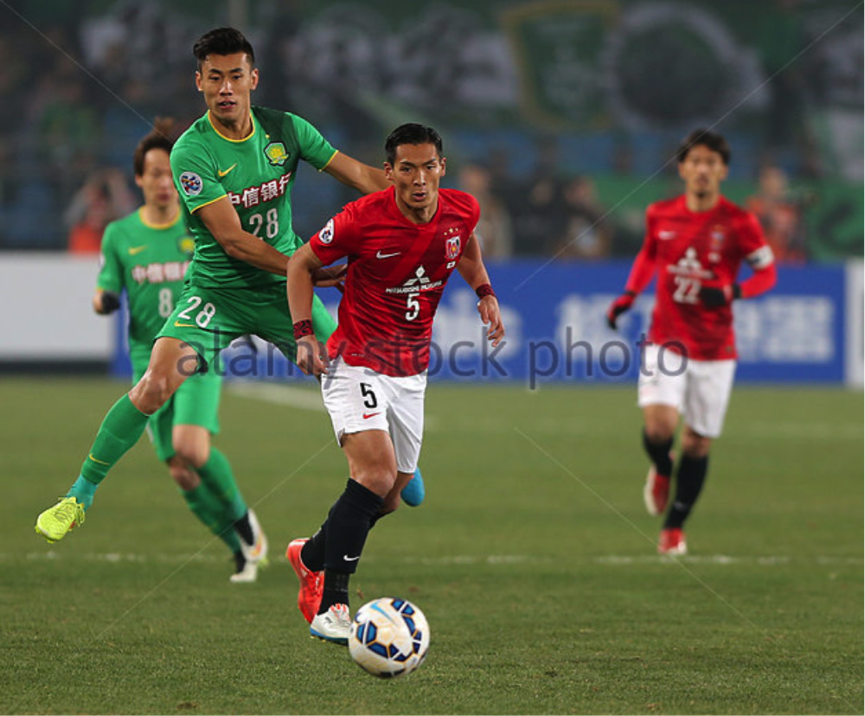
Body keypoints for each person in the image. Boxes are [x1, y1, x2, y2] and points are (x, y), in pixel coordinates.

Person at [34, 27, 394, 558]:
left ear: (253, 78)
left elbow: (359, 173)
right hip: (217, 292)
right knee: (157, 380)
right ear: (199, 82)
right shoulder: (191, 152)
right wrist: (307, 268)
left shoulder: (285, 130)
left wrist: (415, 198)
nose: (226, 87)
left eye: (235, 76)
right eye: (215, 78)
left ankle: (397, 470)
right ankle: (79, 495)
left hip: (281, 290)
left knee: (354, 372)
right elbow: (232, 240)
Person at [285, 123, 505, 644]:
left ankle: (310, 555)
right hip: (353, 361)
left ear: (441, 168)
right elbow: (301, 264)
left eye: (428, 166)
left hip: (411, 373)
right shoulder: (361, 219)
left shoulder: (462, 209)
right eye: (407, 168)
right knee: (375, 474)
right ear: (390, 173)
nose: (420, 178)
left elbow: (465, 248)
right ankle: (333, 606)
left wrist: (484, 290)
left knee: (386, 499)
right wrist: (302, 335)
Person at [91, 118, 264, 582]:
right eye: (154, 174)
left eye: (171, 173)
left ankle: (246, 521)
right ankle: (238, 548)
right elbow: (104, 285)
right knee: (180, 471)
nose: (164, 182)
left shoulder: (202, 222)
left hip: (197, 350)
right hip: (149, 363)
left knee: (192, 446)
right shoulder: (120, 236)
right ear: (139, 180)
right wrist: (104, 300)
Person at [606, 128, 777, 555]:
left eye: (711, 162)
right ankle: (662, 468)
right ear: (683, 168)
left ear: (723, 170)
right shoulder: (660, 214)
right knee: (659, 426)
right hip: (666, 339)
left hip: (716, 349)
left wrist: (734, 292)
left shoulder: (740, 222)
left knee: (698, 442)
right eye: (695, 161)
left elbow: (767, 273)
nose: (702, 169)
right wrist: (628, 295)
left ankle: (674, 526)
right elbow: (649, 255)